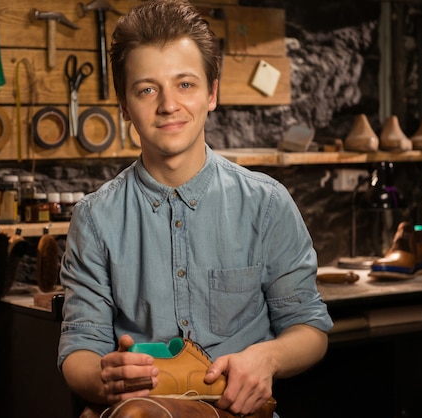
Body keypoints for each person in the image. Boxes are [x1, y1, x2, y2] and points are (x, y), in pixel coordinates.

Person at [58, 0, 333, 416]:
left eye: (185, 84)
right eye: (147, 89)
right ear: (124, 105)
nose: (168, 105)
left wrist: (268, 358)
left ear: (212, 93)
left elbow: (310, 329)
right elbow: (79, 348)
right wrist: (105, 376)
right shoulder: (96, 219)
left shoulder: (267, 203)